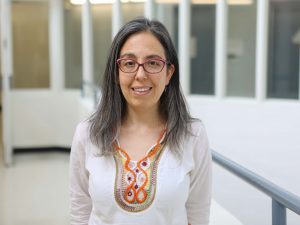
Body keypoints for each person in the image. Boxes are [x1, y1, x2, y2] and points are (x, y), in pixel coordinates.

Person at [69, 17, 212, 225]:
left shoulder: (193, 134)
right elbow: (79, 215)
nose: (140, 74)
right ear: (116, 74)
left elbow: (197, 217)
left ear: (169, 73)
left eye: (153, 63)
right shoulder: (88, 133)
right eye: (129, 63)